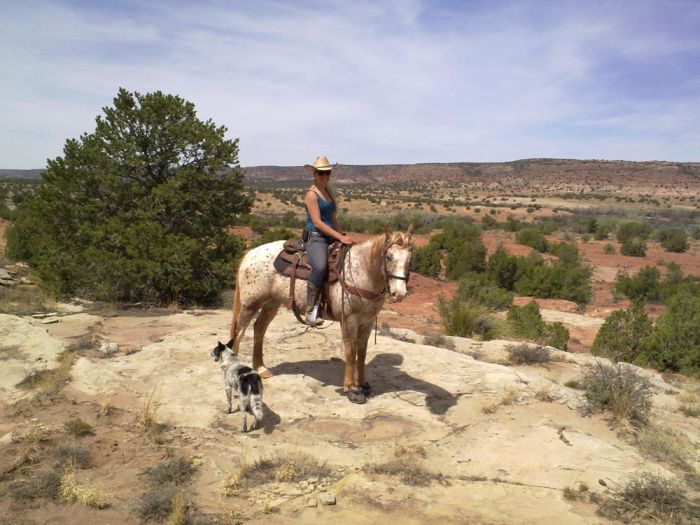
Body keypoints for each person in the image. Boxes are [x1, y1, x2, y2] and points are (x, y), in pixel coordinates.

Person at [303, 156, 353, 326]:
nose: (325, 176)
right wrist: (339, 237)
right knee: (321, 267)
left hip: (331, 235)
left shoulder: (328, 192)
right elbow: (317, 222)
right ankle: (310, 310)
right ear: (315, 174)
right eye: (321, 173)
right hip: (316, 237)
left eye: (328, 173)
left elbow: (332, 217)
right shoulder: (311, 194)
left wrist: (342, 234)